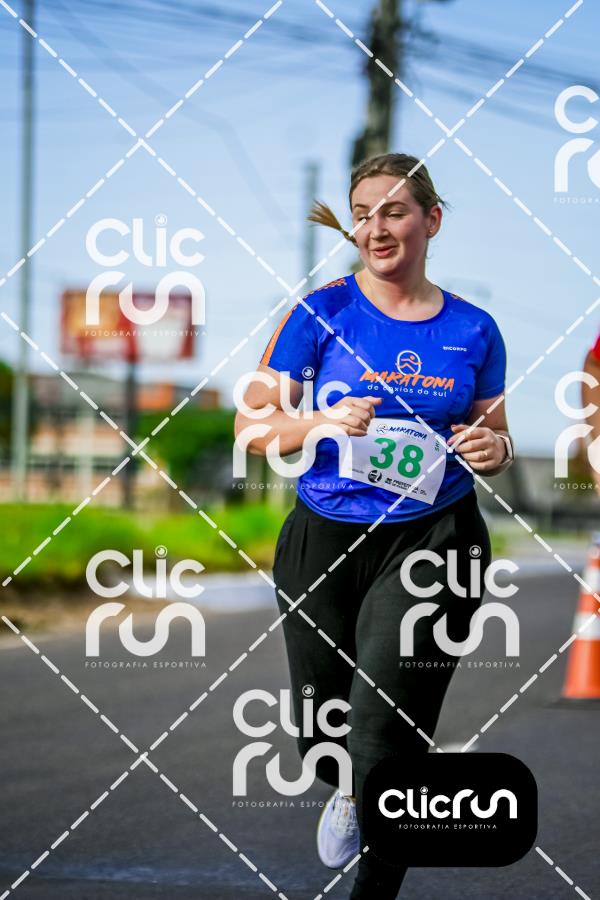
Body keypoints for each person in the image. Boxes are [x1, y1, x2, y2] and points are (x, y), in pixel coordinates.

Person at [234, 153, 514, 899]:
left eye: (394, 211)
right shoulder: (319, 314)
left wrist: (496, 450)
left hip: (435, 536)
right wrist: (320, 422)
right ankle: (352, 787)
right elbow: (252, 427)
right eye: (363, 214)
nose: (376, 228)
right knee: (324, 732)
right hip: (324, 536)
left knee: (387, 725)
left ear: (432, 220)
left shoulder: (474, 329)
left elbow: (496, 437)